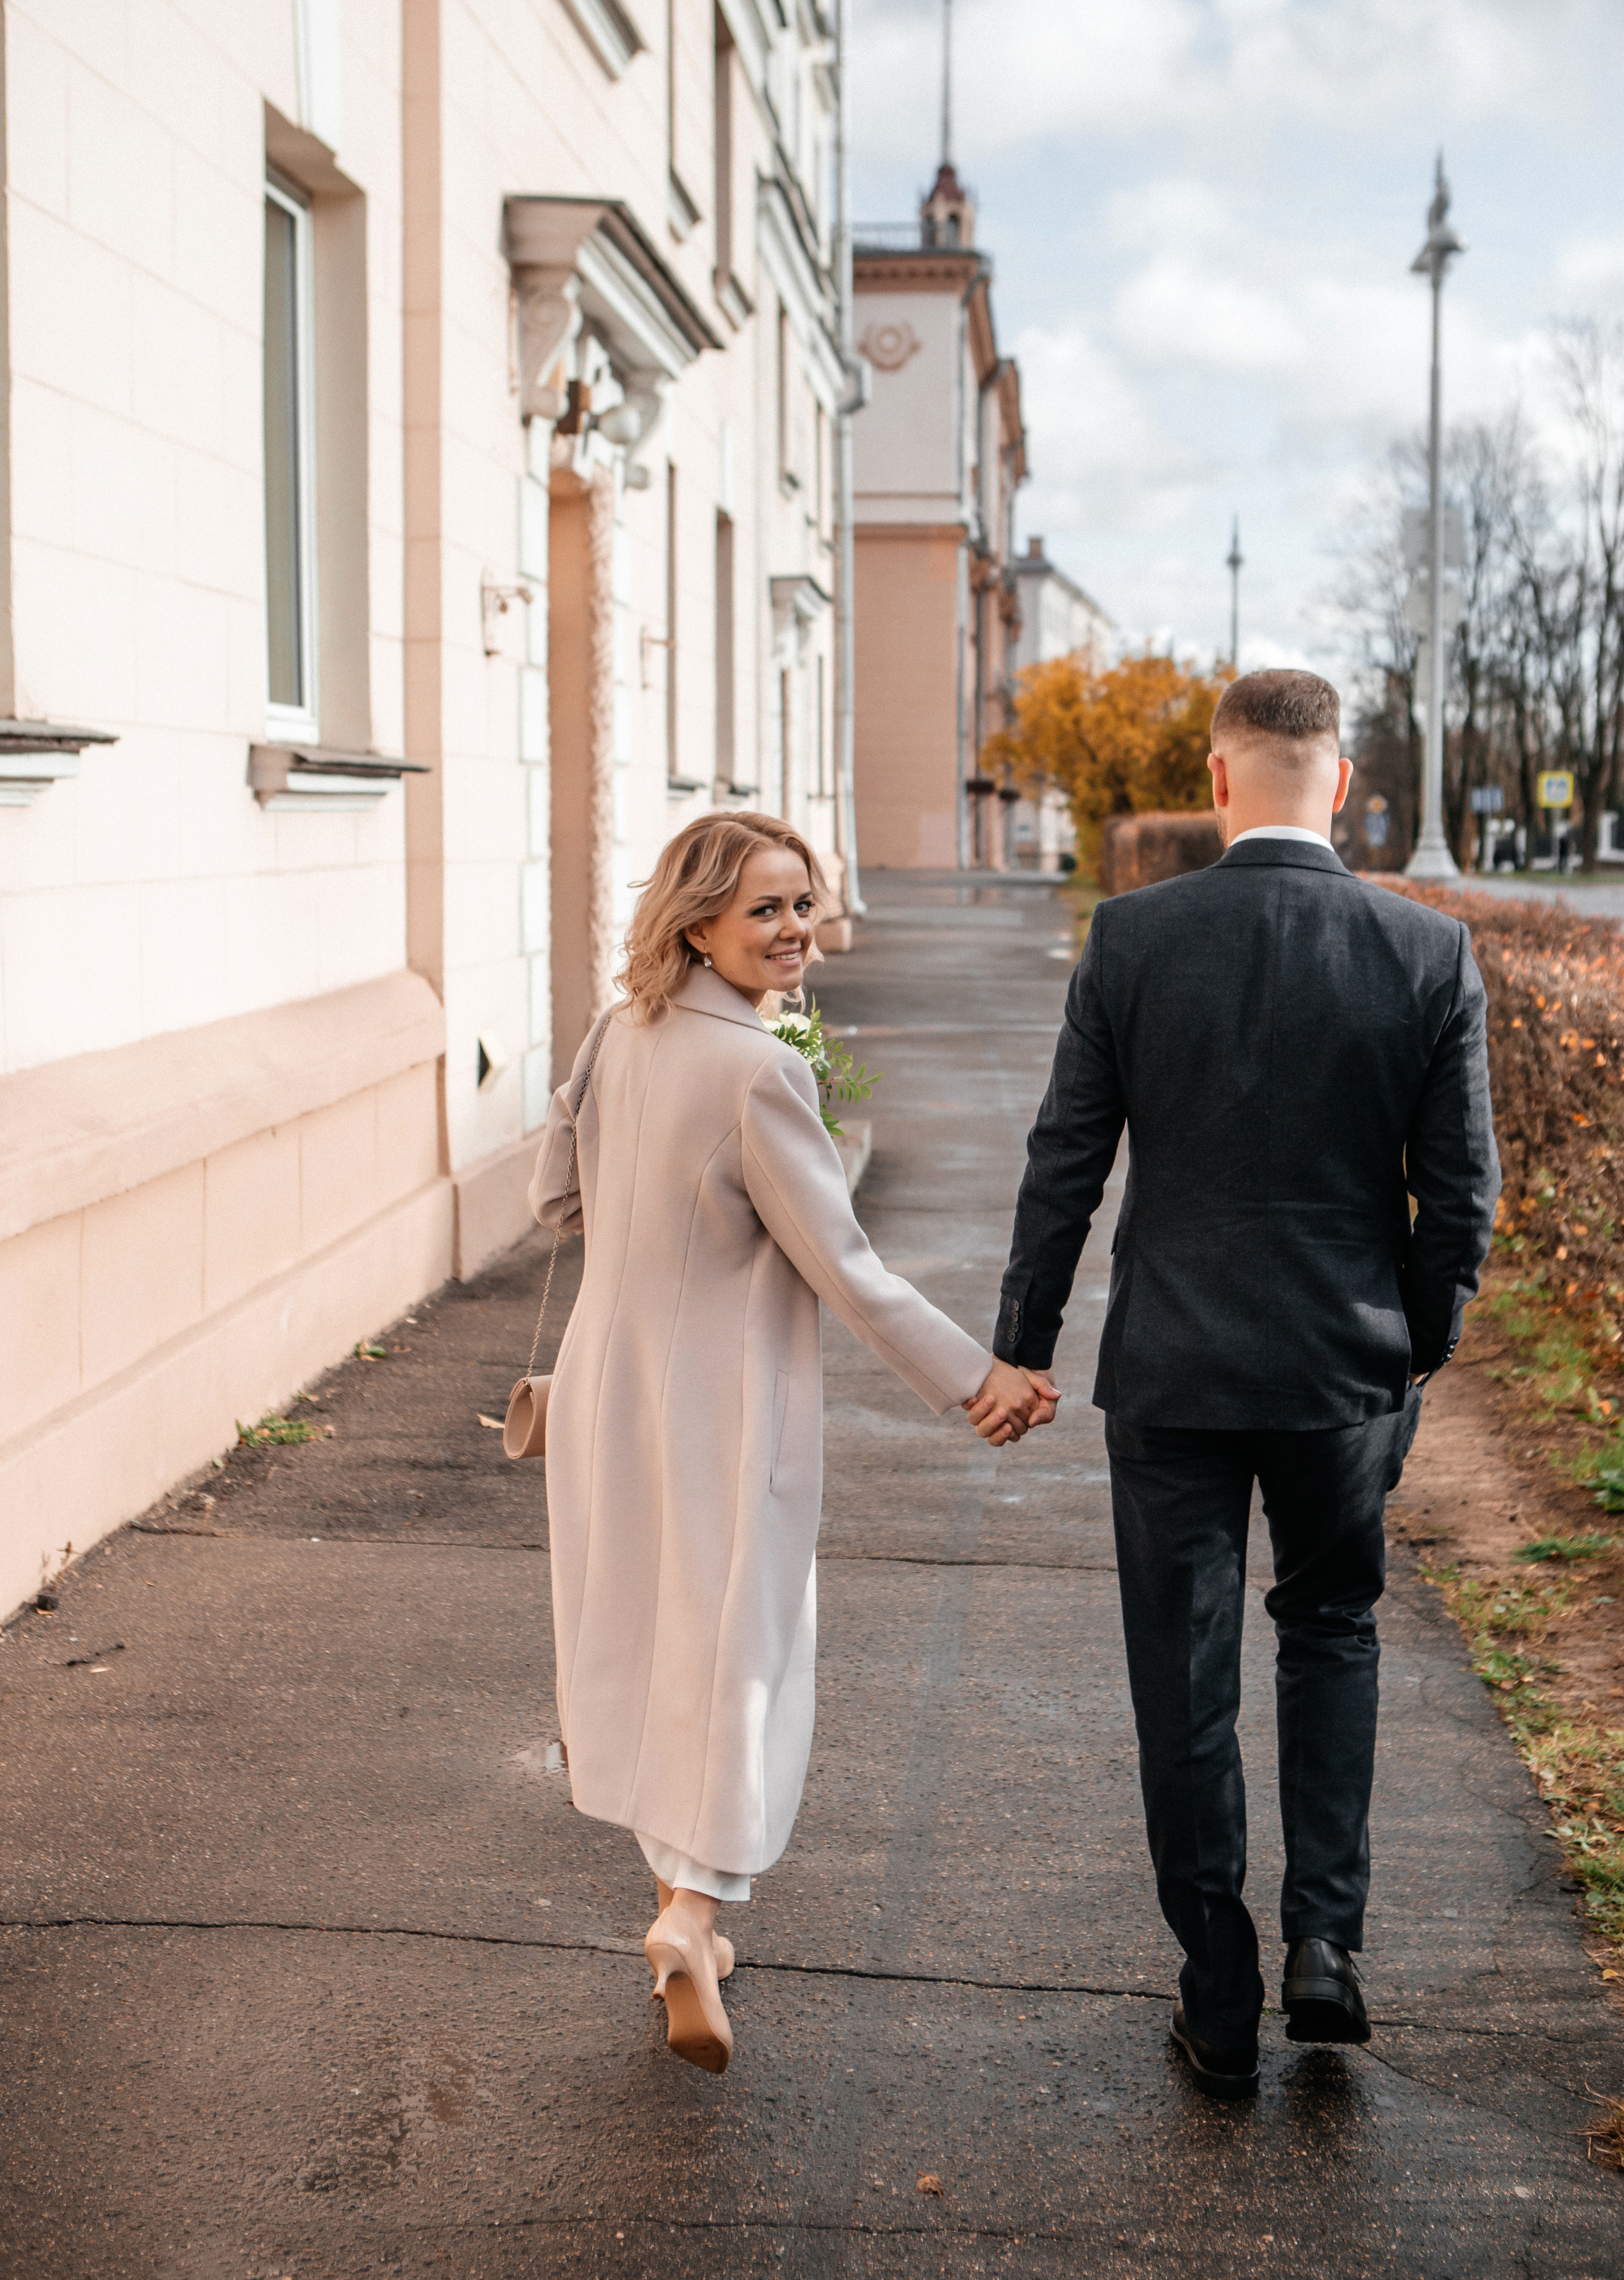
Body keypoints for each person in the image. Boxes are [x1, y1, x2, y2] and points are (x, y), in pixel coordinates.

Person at [993, 669, 1498, 2100]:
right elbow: (1459, 1200)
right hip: (1343, 1372)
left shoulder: (1134, 937)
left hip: (1171, 1364)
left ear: (1216, 782)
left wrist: (1025, 1337)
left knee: (1183, 1674)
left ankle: (1215, 1991)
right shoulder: (1423, 952)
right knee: (1331, 1632)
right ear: (1336, 782)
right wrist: (1412, 1355)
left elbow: (1064, 1159)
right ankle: (1324, 1950)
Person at [530, 811, 1041, 2074]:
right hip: (717, 1399)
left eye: (803, 905)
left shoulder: (619, 1031)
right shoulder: (759, 1068)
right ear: (697, 919)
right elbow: (845, 1268)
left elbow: (554, 1198)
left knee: (648, 1632)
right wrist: (974, 1380)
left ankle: (676, 1901)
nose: (795, 931)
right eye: (766, 908)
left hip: (607, 1382)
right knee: (736, 1647)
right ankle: (691, 1916)